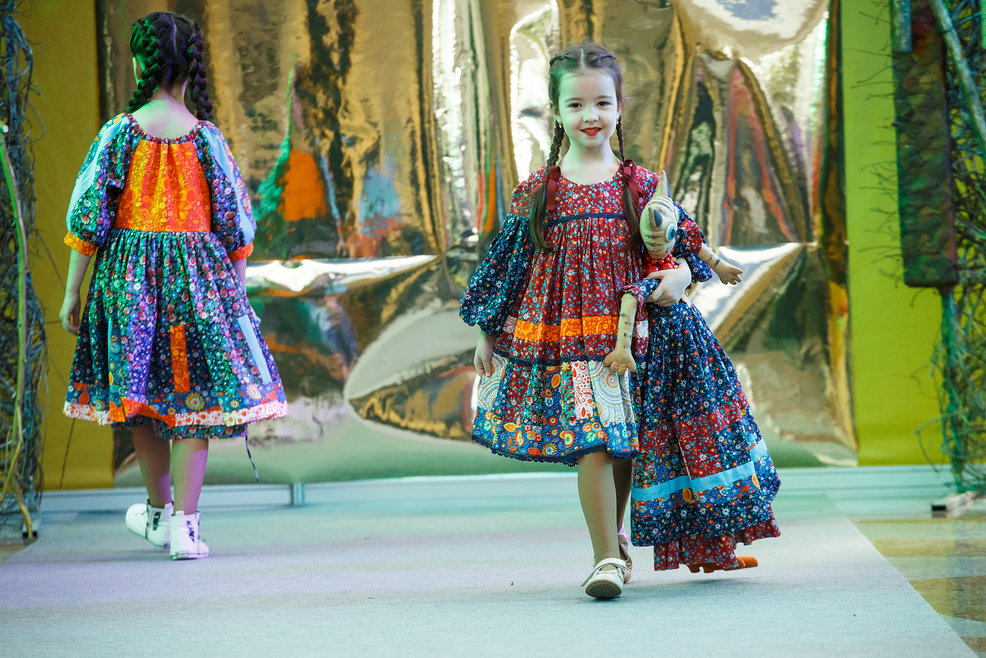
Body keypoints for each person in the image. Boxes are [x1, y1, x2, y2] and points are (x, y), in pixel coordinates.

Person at [459, 42, 701, 599]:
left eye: (602, 103)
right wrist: (487, 333)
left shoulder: (641, 186)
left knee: (622, 445)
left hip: (633, 338)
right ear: (557, 112)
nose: (590, 115)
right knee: (595, 440)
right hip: (570, 339)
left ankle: (616, 543)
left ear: (619, 108)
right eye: (576, 105)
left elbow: (686, 248)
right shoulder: (539, 191)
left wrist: (683, 275)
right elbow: (508, 266)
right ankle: (605, 559)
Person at [59, 11, 288, 560]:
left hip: (128, 285)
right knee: (191, 402)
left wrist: (72, 291)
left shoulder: (118, 133)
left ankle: (160, 513)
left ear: (139, 65)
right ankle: (186, 527)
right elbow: (235, 227)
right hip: (198, 288)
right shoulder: (208, 140)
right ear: (193, 68)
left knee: (141, 400)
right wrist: (235, 299)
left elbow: (89, 217)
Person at [604, 176, 781, 574]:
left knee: (706, 442)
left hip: (688, 353)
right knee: (682, 447)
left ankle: (713, 550)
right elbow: (630, 300)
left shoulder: (653, 208)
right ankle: (705, 550)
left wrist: (707, 266)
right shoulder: (642, 272)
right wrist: (622, 348)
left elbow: (691, 244)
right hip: (661, 358)